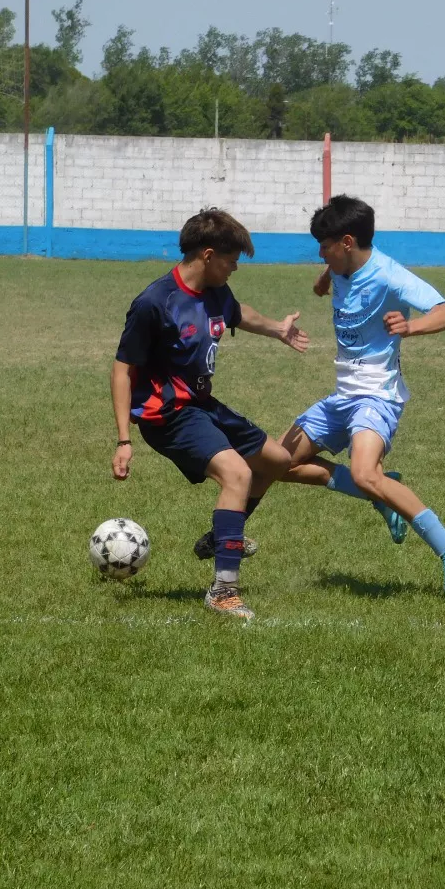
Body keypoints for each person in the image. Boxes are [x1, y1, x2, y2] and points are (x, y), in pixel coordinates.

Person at [204, 194, 445, 596]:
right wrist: (324, 279)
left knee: (366, 473)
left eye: (325, 246)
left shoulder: (389, 274)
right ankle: (381, 493)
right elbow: (328, 282)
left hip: (377, 396)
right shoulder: (340, 266)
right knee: (275, 463)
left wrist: (409, 327)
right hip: (342, 395)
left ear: (347, 242)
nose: (320, 253)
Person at [110, 208, 309, 621]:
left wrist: (277, 328)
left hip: (202, 404)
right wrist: (124, 441)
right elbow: (122, 370)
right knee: (237, 474)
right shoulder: (154, 303)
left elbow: (238, 313)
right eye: (231, 258)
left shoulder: (217, 291)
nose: (236, 266)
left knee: (276, 461)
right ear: (207, 254)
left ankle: (221, 537)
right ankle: (223, 591)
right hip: (166, 414)